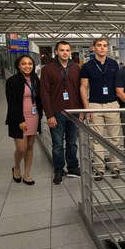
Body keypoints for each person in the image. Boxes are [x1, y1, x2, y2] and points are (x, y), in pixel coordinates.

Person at [40, 41, 83, 185]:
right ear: (56, 52)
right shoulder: (48, 69)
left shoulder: (76, 68)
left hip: (74, 111)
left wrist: (82, 110)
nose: (65, 52)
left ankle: (72, 167)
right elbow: (44, 93)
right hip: (57, 112)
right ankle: (59, 169)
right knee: (58, 144)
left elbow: (81, 90)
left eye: (67, 50)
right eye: (62, 50)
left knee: (72, 143)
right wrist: (49, 115)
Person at [80, 38, 122, 180]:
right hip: (95, 105)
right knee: (96, 139)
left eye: (105, 45)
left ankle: (115, 167)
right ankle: (99, 169)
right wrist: (87, 109)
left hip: (112, 103)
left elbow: (119, 85)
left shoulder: (114, 64)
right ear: (94, 48)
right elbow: (83, 87)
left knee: (114, 138)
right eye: (99, 45)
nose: (102, 48)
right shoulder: (87, 66)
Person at [6, 55, 42, 185]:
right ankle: (16, 167)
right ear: (18, 66)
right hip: (18, 118)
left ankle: (27, 174)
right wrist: (20, 120)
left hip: (33, 116)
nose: (27, 66)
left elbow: (39, 99)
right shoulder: (12, 81)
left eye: (30, 64)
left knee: (30, 146)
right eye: (24, 64)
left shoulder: (35, 80)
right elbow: (12, 103)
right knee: (21, 148)